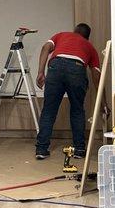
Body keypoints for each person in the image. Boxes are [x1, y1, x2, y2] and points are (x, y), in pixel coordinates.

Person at [35, 23, 109, 160]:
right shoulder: (90, 47)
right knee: (77, 110)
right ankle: (79, 150)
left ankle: (41, 149)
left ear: (74, 31)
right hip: (77, 68)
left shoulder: (61, 35)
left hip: (55, 66)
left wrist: (40, 72)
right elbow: (97, 77)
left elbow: (46, 47)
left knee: (49, 110)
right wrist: (103, 103)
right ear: (87, 37)